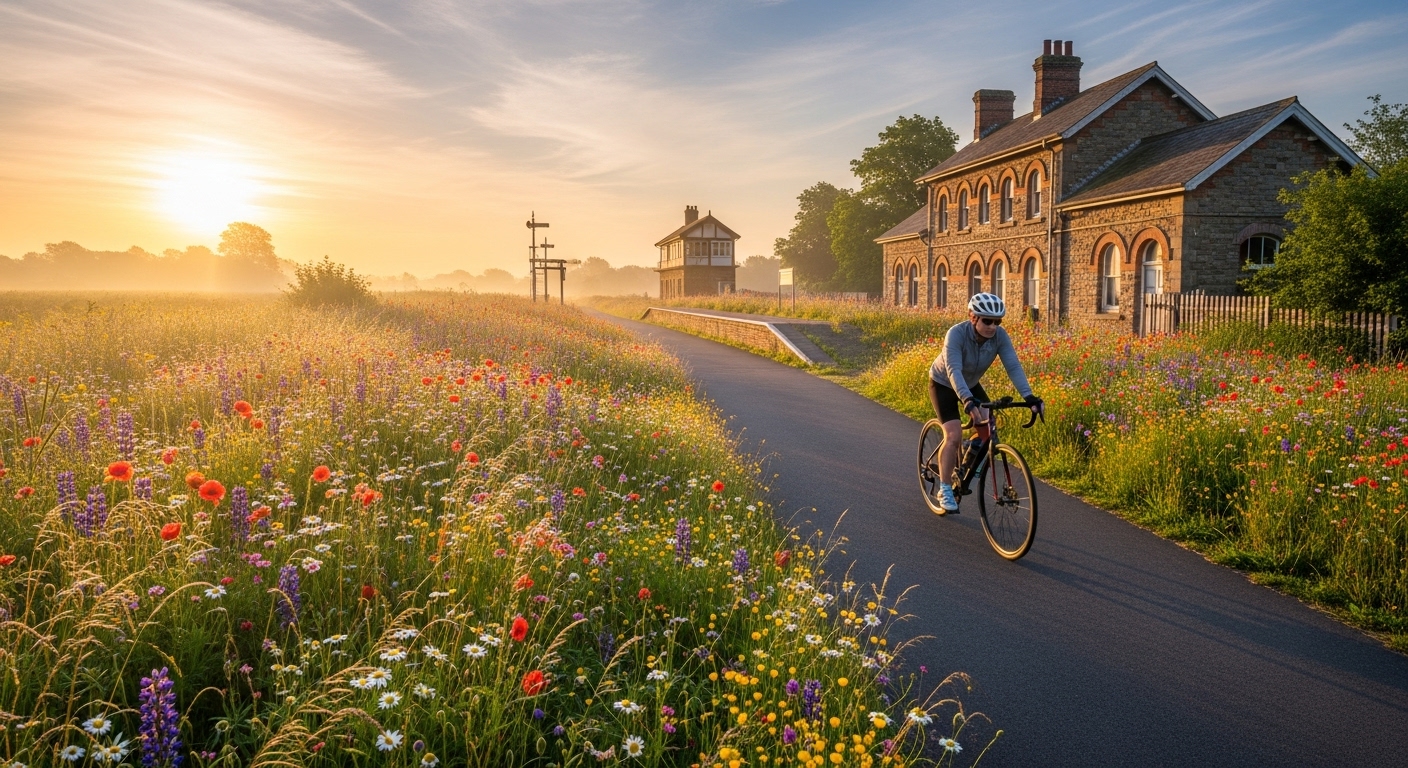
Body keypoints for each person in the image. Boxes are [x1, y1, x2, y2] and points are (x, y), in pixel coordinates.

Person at [928, 292, 1042, 513]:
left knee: (988, 426)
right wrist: (968, 401)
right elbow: (953, 370)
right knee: (952, 435)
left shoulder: (1000, 336)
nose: (992, 326)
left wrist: (1029, 397)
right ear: (973, 317)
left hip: (970, 384)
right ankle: (944, 489)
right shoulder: (956, 335)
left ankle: (969, 455)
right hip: (944, 383)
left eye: (997, 321)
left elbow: (1013, 366)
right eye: (987, 320)